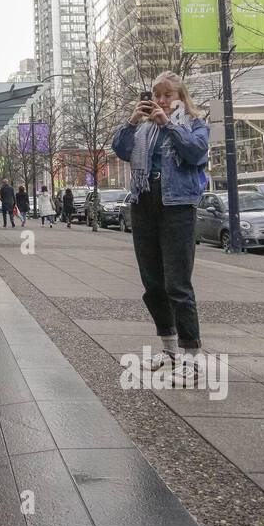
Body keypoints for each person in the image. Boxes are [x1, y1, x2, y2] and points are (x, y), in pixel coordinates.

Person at [111, 71, 210, 384]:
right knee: (153, 283)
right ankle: (168, 349)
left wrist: (168, 125)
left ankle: (191, 358)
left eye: (167, 95)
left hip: (177, 206)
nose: (161, 101)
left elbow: (196, 153)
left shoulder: (194, 124)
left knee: (177, 284)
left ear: (180, 97)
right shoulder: (142, 131)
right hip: (144, 204)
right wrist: (131, 121)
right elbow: (121, 149)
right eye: (157, 96)